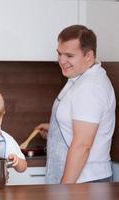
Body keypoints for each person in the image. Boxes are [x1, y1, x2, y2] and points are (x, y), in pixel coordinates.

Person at [35, 25, 116, 184]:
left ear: (89, 56)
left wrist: (64, 190)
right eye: (59, 53)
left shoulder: (90, 87)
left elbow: (82, 145)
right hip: (79, 181)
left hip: (85, 182)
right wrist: (56, 130)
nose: (61, 60)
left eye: (69, 55)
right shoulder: (79, 78)